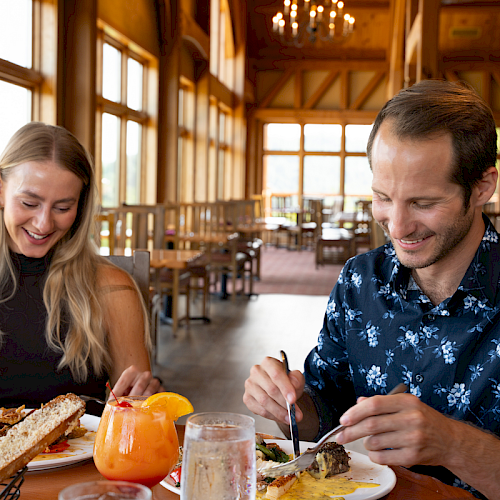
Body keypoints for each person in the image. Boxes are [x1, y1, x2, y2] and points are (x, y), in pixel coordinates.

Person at [243, 79, 500, 499]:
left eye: (424, 203)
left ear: (482, 188)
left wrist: (454, 444)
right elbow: (326, 419)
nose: (397, 228)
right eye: (383, 197)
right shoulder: (360, 278)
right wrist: (288, 406)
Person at [0, 122, 163, 415]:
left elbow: (138, 413)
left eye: (62, 208)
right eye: (29, 202)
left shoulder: (110, 287)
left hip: (81, 457)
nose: (43, 224)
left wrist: (140, 403)